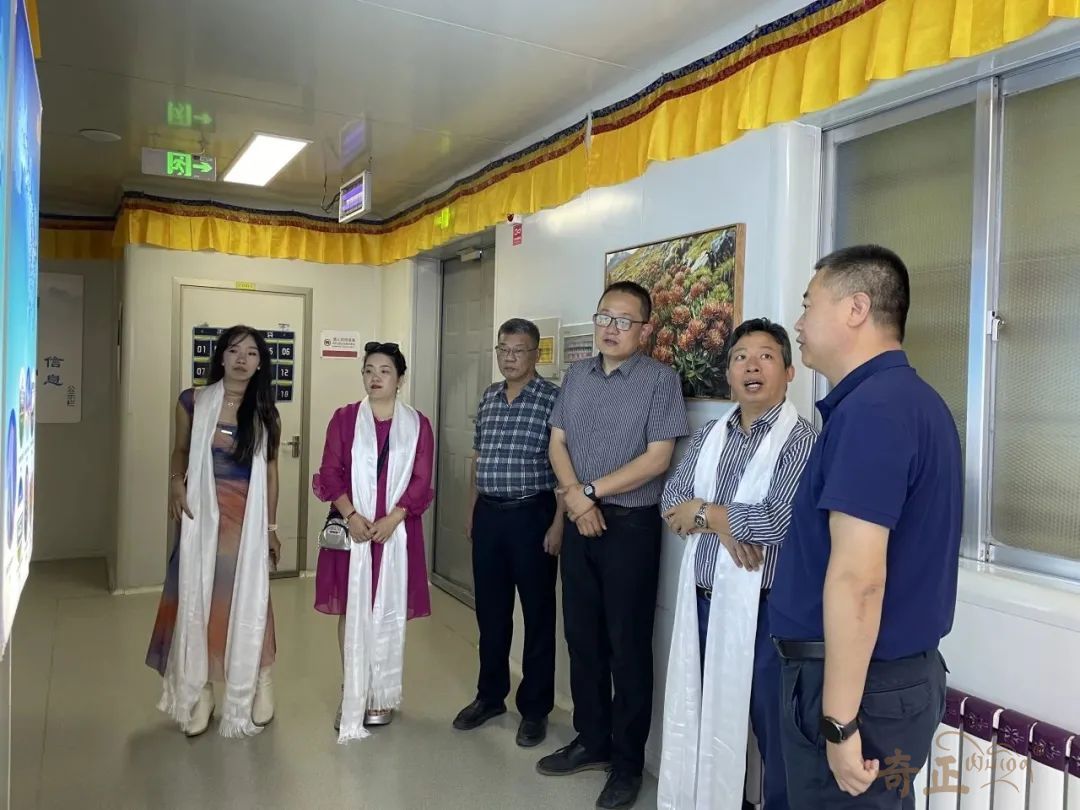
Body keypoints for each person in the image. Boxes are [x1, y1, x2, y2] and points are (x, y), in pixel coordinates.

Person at [769, 246, 962, 808]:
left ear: (857, 308)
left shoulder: (874, 411)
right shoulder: (911, 402)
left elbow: (859, 579)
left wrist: (839, 722)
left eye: (808, 305)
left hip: (860, 687)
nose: (798, 323)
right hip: (883, 684)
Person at [537, 281, 689, 810]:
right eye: (604, 316)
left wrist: (590, 493)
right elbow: (557, 442)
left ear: (644, 329)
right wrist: (577, 502)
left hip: (630, 528)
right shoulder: (576, 375)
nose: (611, 327)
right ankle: (592, 740)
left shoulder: (660, 380)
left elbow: (657, 459)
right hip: (581, 521)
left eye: (624, 320)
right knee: (581, 638)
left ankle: (627, 763)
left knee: (627, 647)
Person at [658, 319, 816, 810]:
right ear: (728, 373)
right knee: (706, 718)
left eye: (766, 356)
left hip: (768, 613)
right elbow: (671, 503)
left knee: (775, 731)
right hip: (703, 605)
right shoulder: (711, 434)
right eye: (740, 357)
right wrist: (726, 525)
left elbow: (775, 520)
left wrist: (706, 515)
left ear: (788, 372)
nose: (752, 366)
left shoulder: (802, 440)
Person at [147, 325, 281, 738]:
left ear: (260, 364)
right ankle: (201, 691)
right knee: (197, 601)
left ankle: (259, 679)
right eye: (234, 350)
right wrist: (175, 482)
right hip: (200, 517)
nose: (242, 359)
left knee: (248, 598)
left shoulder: (265, 412)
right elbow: (180, 450)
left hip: (245, 521)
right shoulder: (193, 401)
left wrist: (272, 528)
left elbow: (270, 473)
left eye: (252, 353)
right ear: (220, 356)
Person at [312, 341, 434, 742]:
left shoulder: (418, 425)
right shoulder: (345, 419)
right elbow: (330, 471)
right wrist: (352, 516)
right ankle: (353, 688)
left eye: (384, 371)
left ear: (400, 378)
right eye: (368, 370)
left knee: (386, 608)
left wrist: (393, 518)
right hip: (356, 530)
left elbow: (421, 480)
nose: (375, 378)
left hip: (395, 531)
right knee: (353, 607)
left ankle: (380, 691)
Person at [453, 319, 563, 747]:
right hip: (490, 516)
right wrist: (472, 512)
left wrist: (559, 523)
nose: (509, 358)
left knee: (537, 616)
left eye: (518, 350)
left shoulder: (553, 399)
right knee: (491, 613)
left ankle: (535, 709)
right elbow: (478, 459)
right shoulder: (489, 396)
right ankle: (490, 696)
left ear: (536, 354)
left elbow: (566, 467)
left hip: (533, 515)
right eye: (503, 349)